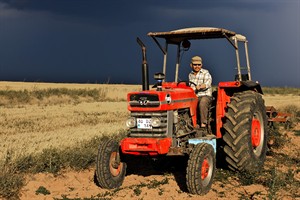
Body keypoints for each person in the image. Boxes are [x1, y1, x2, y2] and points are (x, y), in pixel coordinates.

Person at [188, 56, 212, 128]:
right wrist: (194, 88)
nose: (197, 66)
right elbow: (191, 87)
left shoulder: (205, 73)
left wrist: (201, 86)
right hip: (195, 96)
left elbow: (208, 83)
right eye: (195, 65)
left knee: (202, 103)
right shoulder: (190, 75)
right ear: (191, 65)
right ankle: (191, 123)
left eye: (199, 65)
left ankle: (203, 124)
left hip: (205, 95)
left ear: (201, 65)